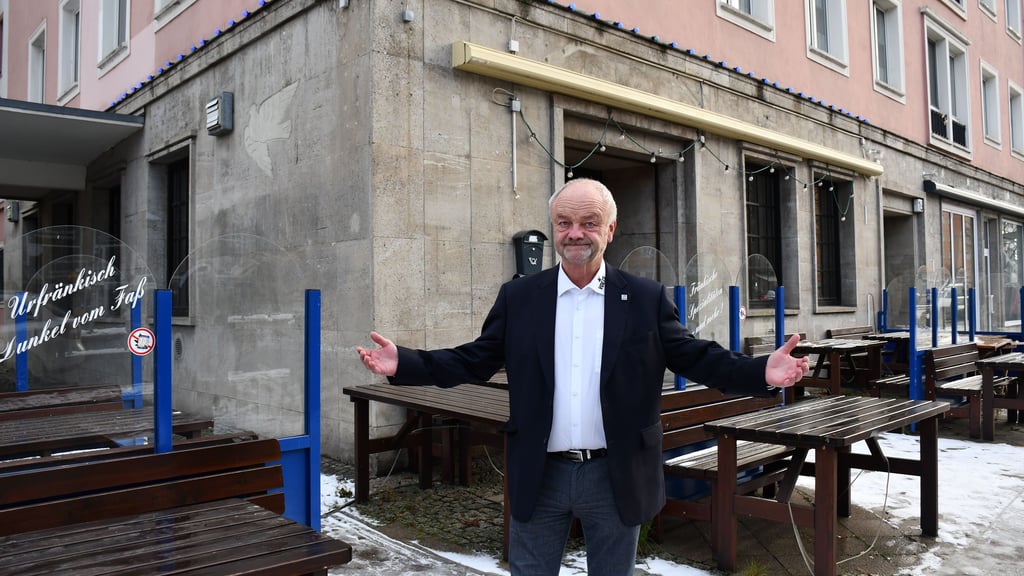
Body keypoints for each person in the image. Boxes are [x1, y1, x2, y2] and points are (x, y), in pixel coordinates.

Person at [357, 177, 810, 575]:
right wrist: (406, 363)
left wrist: (761, 371)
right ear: (554, 227)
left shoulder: (644, 298)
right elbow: (474, 359)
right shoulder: (519, 297)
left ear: (610, 230)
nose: (575, 233)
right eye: (564, 222)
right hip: (540, 473)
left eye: (589, 222)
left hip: (615, 475)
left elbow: (696, 357)